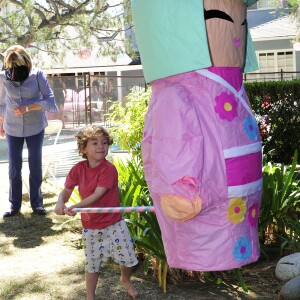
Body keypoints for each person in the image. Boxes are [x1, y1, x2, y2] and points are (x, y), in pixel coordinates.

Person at [54, 125, 138, 300]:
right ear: (83, 148)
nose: (101, 146)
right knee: (92, 265)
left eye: (104, 142)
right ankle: (90, 297)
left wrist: (76, 207)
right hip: (91, 226)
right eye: (94, 143)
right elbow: (67, 190)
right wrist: (61, 201)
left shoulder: (109, 169)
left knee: (128, 258)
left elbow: (98, 195)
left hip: (114, 223)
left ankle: (125, 278)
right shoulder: (78, 169)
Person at [0, 45, 58, 217]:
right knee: (14, 166)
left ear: (26, 62)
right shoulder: (3, 77)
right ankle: (14, 205)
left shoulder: (37, 75)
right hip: (12, 128)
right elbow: (1, 104)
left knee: (35, 164)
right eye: (11, 67)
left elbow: (51, 102)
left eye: (18, 66)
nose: (15, 70)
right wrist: (1, 122)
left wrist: (29, 107)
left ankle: (37, 204)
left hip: (35, 127)